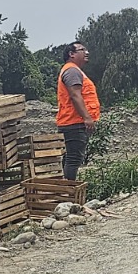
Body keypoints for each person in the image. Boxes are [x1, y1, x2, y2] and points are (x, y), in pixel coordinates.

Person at [55, 42, 101, 181]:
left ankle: (66, 191)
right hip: (74, 122)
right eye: (82, 50)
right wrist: (87, 118)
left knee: (70, 158)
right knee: (73, 159)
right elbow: (75, 95)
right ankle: (69, 192)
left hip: (72, 121)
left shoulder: (74, 70)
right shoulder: (72, 71)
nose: (86, 53)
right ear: (71, 54)